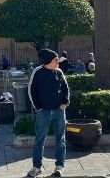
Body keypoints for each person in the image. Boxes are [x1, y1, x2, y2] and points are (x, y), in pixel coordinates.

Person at [28, 48, 70, 177]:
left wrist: (65, 102)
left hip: (59, 112)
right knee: (39, 140)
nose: (58, 61)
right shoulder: (37, 72)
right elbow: (31, 91)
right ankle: (37, 167)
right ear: (49, 61)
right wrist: (38, 108)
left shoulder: (59, 72)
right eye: (56, 59)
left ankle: (59, 166)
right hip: (43, 112)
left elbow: (66, 88)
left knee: (61, 140)